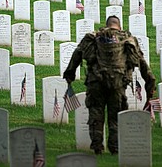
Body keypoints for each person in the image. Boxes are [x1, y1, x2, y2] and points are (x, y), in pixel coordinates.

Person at [63, 15, 156, 155]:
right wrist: (150, 83)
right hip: (118, 83)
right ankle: (115, 148)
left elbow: (77, 54)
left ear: (106, 25)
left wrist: (70, 75)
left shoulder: (93, 38)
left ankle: (97, 147)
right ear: (119, 25)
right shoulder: (127, 39)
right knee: (115, 116)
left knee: (96, 114)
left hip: (96, 82)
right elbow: (142, 63)